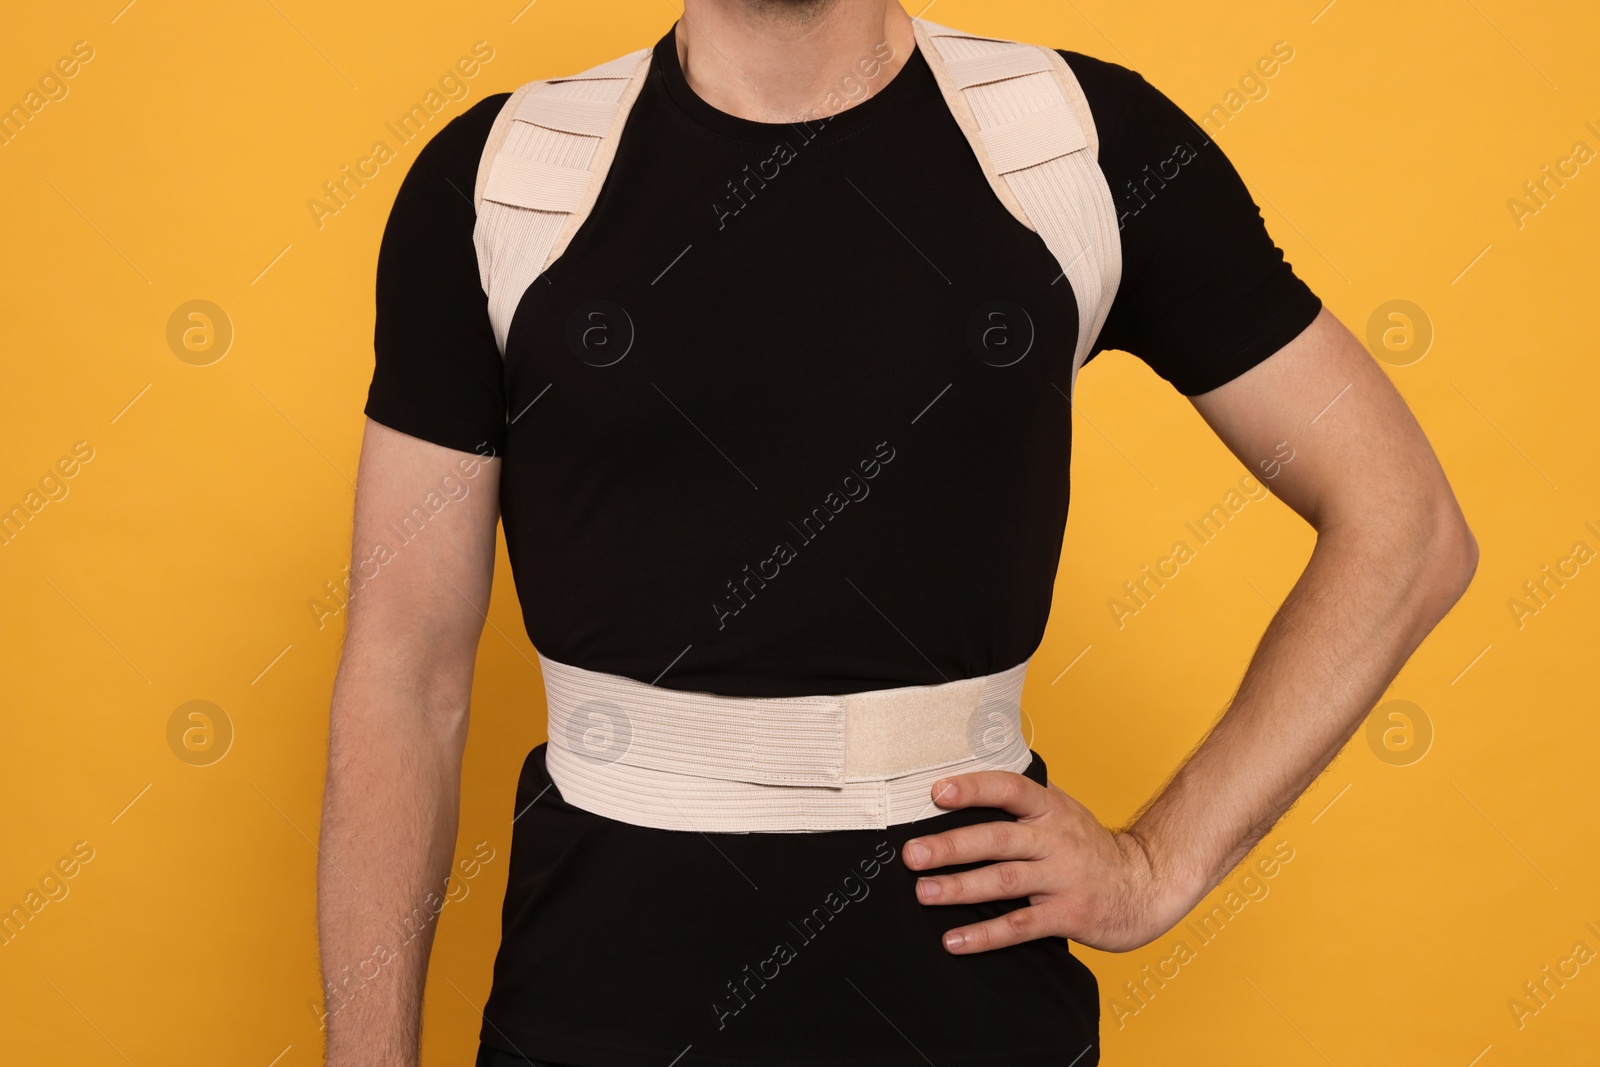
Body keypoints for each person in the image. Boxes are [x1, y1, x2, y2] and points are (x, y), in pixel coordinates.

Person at [316, 1, 1478, 1064]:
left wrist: (1156, 865)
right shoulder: (504, 181)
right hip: (589, 1019)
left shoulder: (1071, 148)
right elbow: (405, 674)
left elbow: (1407, 526)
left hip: (971, 1025)